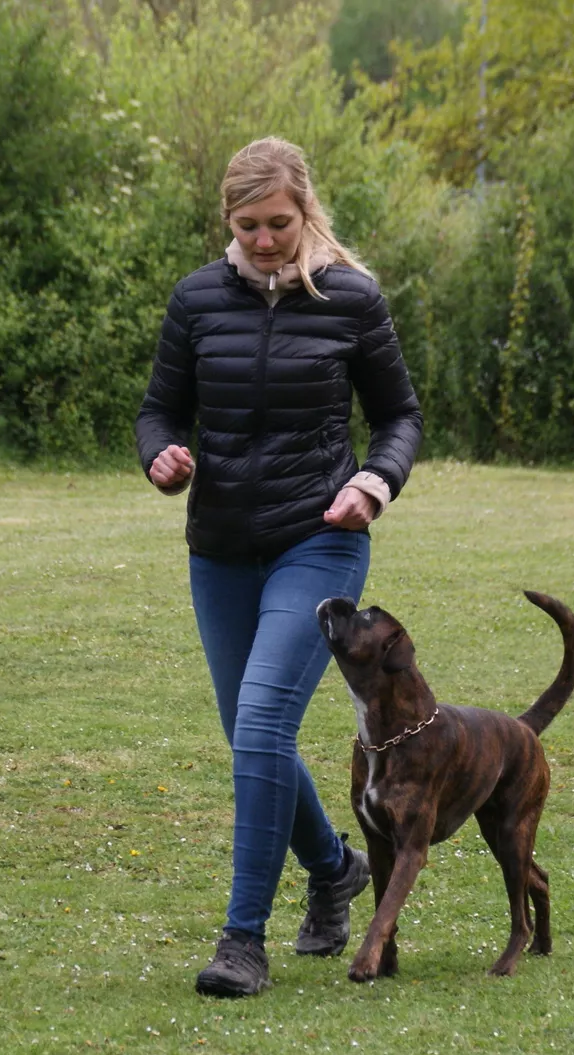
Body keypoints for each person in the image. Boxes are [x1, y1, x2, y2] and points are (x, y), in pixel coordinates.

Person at [134, 136, 424, 997]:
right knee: (251, 735)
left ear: (306, 211)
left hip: (319, 538)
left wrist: (374, 483)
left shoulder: (351, 298)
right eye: (248, 225)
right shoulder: (196, 299)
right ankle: (335, 869)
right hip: (222, 548)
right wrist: (160, 457)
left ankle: (241, 941)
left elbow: (400, 416)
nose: (264, 241)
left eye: (279, 223)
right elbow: (157, 411)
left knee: (262, 725)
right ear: (227, 220)